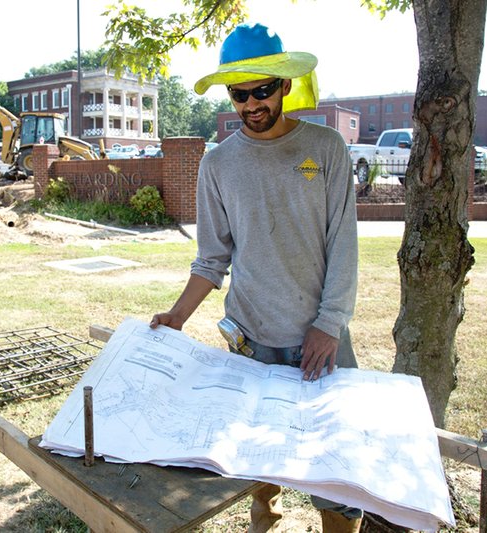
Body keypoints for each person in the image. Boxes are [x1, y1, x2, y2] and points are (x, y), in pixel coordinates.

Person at [149, 23, 361, 533]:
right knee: (258, 450)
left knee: (336, 470)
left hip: (319, 339)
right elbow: (211, 258)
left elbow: (343, 244)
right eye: (240, 94)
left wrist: (329, 323)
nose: (251, 104)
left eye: (262, 90)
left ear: (284, 84)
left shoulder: (327, 148)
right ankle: (263, 516)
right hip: (250, 338)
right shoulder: (217, 164)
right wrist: (177, 316)